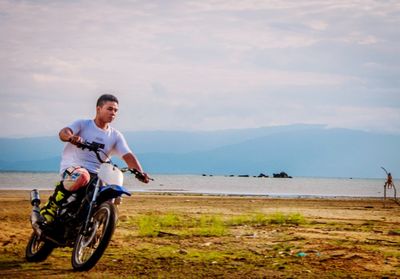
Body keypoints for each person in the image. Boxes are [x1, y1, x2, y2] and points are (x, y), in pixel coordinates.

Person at [40, 94, 150, 223]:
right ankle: (51, 207)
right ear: (98, 109)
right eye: (109, 109)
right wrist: (71, 138)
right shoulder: (83, 124)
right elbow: (63, 133)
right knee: (83, 176)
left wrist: (140, 173)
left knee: (113, 193)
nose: (113, 113)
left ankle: (94, 228)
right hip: (73, 169)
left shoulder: (115, 135)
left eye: (115, 110)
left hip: (96, 175)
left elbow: (128, 156)